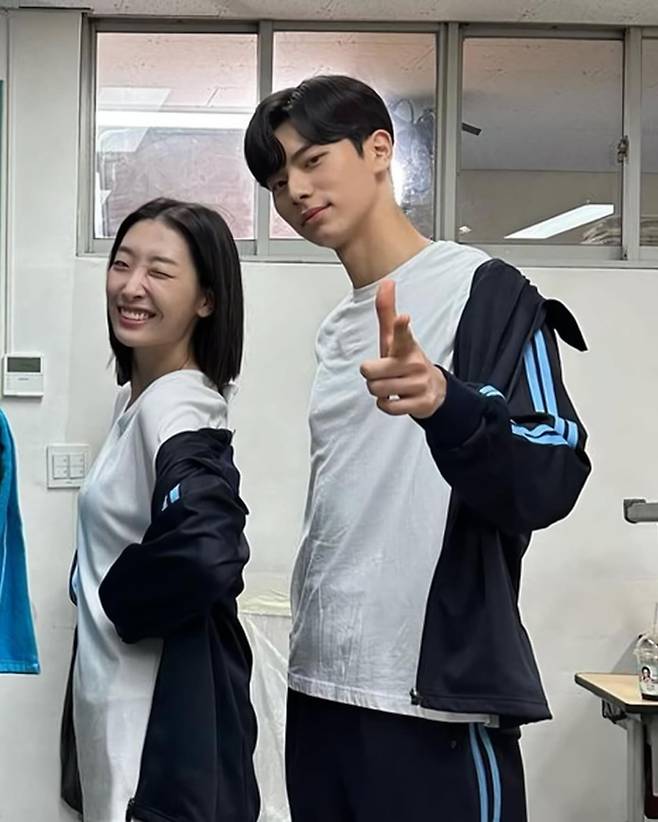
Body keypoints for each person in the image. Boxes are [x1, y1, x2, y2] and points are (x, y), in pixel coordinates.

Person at [244, 75, 591, 821]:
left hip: (434, 705)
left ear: (378, 149)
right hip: (320, 690)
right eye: (276, 182)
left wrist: (446, 402)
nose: (295, 191)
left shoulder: (486, 292)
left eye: (312, 160)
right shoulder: (337, 329)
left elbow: (553, 469)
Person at [59, 198, 260, 822]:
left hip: (148, 733)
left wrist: (118, 601)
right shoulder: (134, 400)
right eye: (122, 264)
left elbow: (208, 550)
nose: (131, 286)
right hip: (112, 712)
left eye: (160, 271)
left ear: (207, 300)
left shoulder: (179, 406)